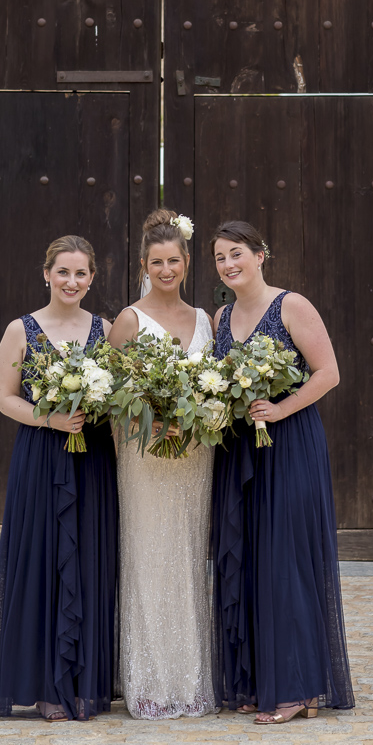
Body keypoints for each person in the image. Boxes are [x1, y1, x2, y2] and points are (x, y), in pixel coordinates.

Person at [211, 220, 354, 723]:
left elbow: (329, 373)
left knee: (286, 560)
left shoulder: (291, 305)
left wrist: (281, 409)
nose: (229, 265)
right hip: (240, 451)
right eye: (220, 258)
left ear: (260, 254)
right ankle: (257, 679)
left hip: (288, 443)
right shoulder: (220, 316)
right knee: (249, 561)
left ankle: (297, 687)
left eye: (237, 254)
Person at [0, 235, 117, 721]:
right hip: (41, 456)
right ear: (46, 274)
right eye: (63, 272)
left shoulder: (105, 328)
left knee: (87, 561)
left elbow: (122, 393)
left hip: (92, 458)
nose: (72, 281)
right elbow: (4, 397)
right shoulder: (22, 329)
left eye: (81, 273)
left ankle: (83, 683)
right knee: (42, 562)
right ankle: (43, 685)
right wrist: (49, 418)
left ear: (92, 278)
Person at [108, 209, 216, 719]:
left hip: (195, 456)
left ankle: (190, 681)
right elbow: (111, 394)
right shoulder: (130, 319)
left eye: (174, 260)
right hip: (146, 458)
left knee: (190, 556)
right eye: (157, 262)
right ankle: (149, 680)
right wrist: (150, 422)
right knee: (151, 557)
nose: (166, 269)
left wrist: (196, 422)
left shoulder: (205, 321)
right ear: (144, 265)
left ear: (187, 261)